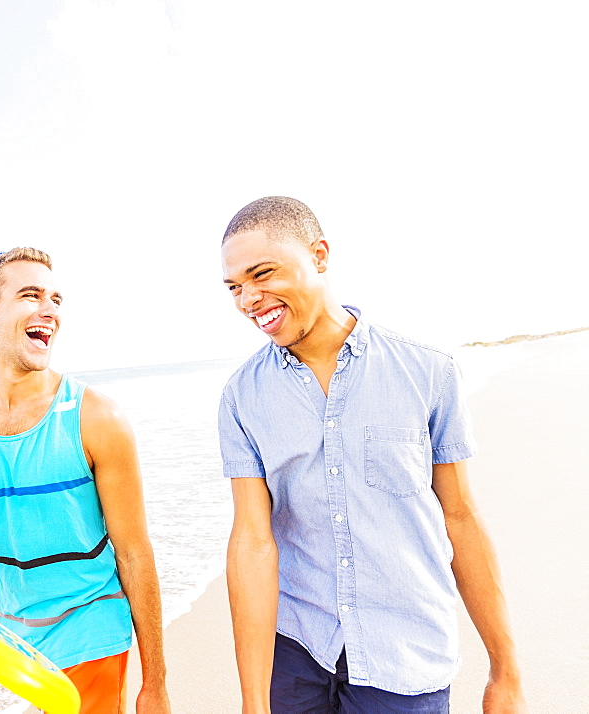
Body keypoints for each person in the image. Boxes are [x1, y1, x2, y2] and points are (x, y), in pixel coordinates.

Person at [218, 197, 526, 713]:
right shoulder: (241, 396)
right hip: (297, 650)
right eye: (234, 287)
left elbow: (460, 517)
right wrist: (253, 701)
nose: (249, 298)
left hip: (404, 654)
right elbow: (252, 541)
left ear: (319, 255)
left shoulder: (428, 372)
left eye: (262, 274)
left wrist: (506, 669)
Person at [0, 247, 170, 714]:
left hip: (93, 629)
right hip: (13, 644)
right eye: (31, 296)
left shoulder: (95, 417)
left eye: (56, 299)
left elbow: (133, 552)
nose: (49, 310)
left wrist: (155, 683)